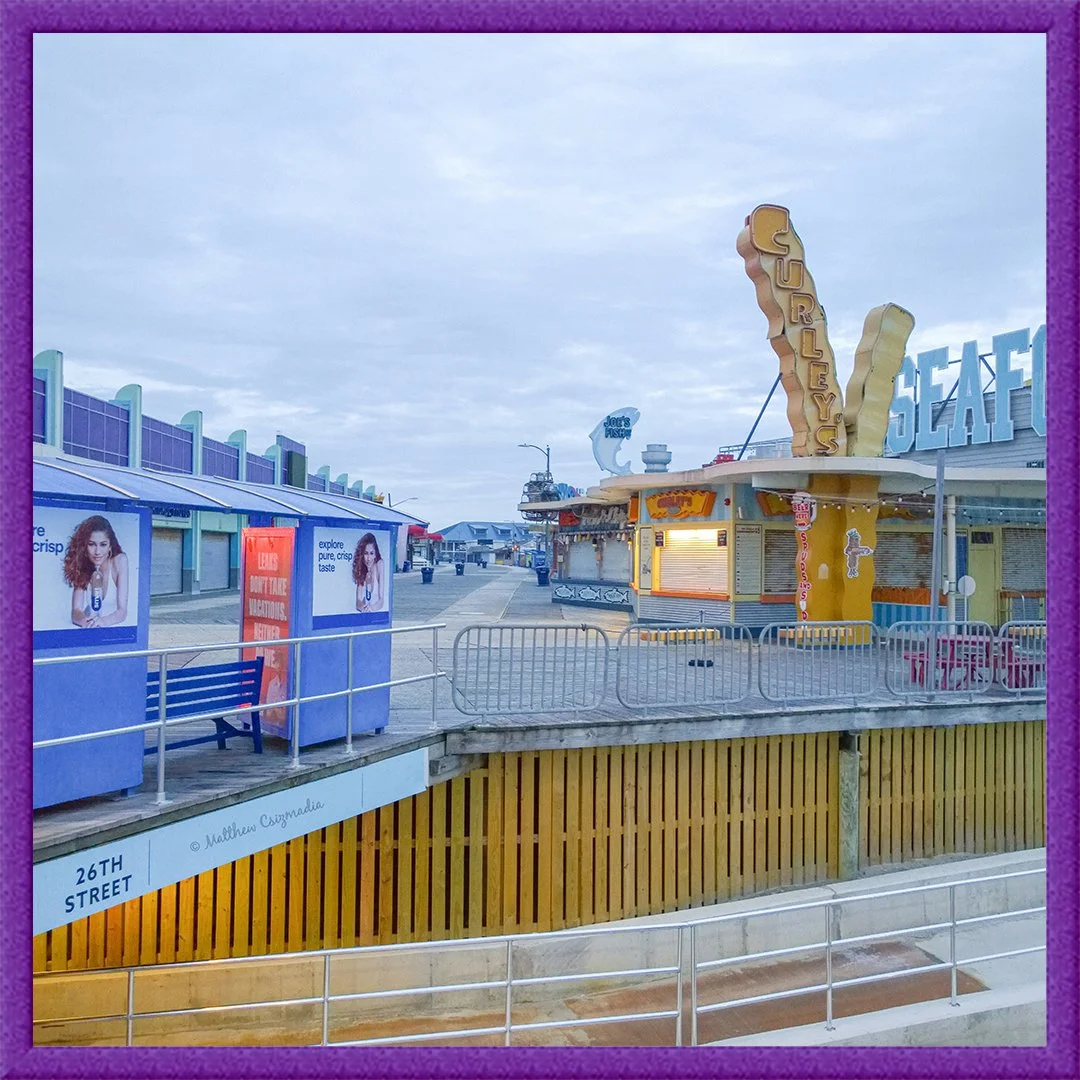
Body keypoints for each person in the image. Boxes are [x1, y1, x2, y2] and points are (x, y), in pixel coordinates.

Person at [63, 514, 130, 628]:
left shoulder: (120, 561)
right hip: (89, 629)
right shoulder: (83, 564)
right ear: (84, 546)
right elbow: (76, 610)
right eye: (91, 544)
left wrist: (103, 622)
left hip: (111, 629)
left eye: (103, 545)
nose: (97, 552)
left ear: (110, 546)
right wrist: (85, 621)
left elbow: (122, 611)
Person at [352, 532, 386, 612]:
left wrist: (372, 608)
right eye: (366, 553)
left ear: (375, 554)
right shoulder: (361, 568)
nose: (368, 558)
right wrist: (362, 607)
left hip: (377, 612)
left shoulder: (379, 564)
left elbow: (381, 600)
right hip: (365, 613)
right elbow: (358, 601)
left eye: (371, 553)